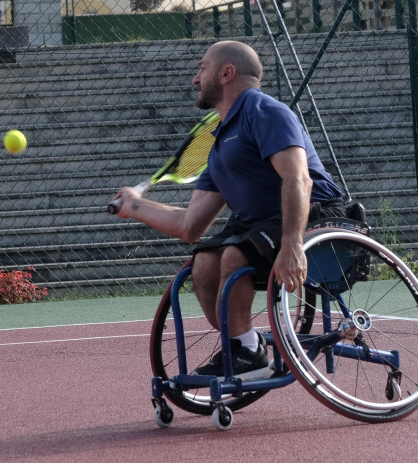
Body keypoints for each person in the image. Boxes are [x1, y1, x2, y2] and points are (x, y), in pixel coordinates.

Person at [112, 41, 345, 379]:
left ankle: (246, 354)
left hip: (316, 215)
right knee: (204, 262)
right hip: (260, 226)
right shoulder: (220, 145)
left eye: (202, 68)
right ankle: (245, 347)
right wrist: (136, 205)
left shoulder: (265, 111)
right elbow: (189, 225)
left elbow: (299, 179)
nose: (195, 79)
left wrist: (292, 243)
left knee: (236, 254)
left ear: (226, 73)